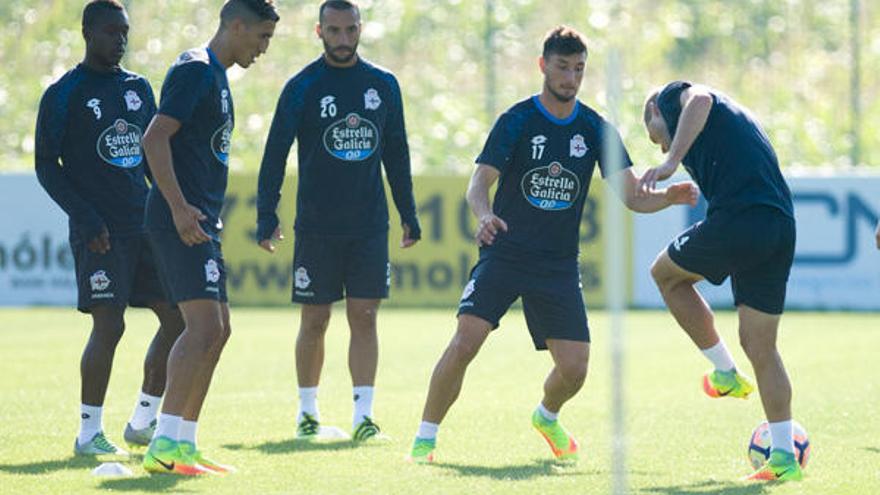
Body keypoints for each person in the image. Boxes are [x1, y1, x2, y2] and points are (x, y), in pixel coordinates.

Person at [407, 26, 697, 464]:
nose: (570, 77)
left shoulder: (596, 128)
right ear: (543, 66)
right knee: (466, 341)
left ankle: (546, 415)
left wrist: (667, 197)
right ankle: (425, 440)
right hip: (505, 252)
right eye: (562, 67)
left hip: (557, 264)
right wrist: (485, 216)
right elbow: (478, 184)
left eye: (579, 69)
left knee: (575, 370)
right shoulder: (517, 120)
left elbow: (633, 196)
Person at [257, 0, 420, 442]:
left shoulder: (382, 85)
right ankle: (307, 413)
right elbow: (275, 154)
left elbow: (397, 153)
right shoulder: (302, 86)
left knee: (364, 317)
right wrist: (266, 212)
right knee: (314, 320)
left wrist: (408, 211)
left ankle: (363, 417)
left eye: (350, 30)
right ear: (319, 31)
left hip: (368, 224)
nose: (343, 39)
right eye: (334, 31)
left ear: (361, 29)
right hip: (316, 226)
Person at [34, 0, 185, 457]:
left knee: (177, 320)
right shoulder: (64, 93)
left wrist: (168, 210)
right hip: (98, 230)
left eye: (124, 32)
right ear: (87, 32)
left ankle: (142, 421)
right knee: (110, 324)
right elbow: (46, 164)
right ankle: (88, 433)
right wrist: (83, 214)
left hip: (143, 225)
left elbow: (153, 158)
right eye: (110, 32)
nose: (119, 40)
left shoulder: (139, 89)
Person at [141, 0, 278, 475]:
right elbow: (154, 138)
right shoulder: (196, 70)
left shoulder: (217, 76)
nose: (263, 48)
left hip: (201, 221)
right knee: (199, 328)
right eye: (260, 37)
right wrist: (179, 208)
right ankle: (162, 443)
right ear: (235, 25)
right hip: (180, 219)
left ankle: (183, 444)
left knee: (218, 330)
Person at [640, 81, 800, 481]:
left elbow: (700, 98)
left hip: (741, 218)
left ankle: (725, 372)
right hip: (778, 225)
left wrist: (672, 159)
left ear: (656, 114)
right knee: (760, 345)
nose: (658, 148)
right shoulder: (725, 121)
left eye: (652, 138)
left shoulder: (674, 99)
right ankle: (784, 457)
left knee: (665, 275)